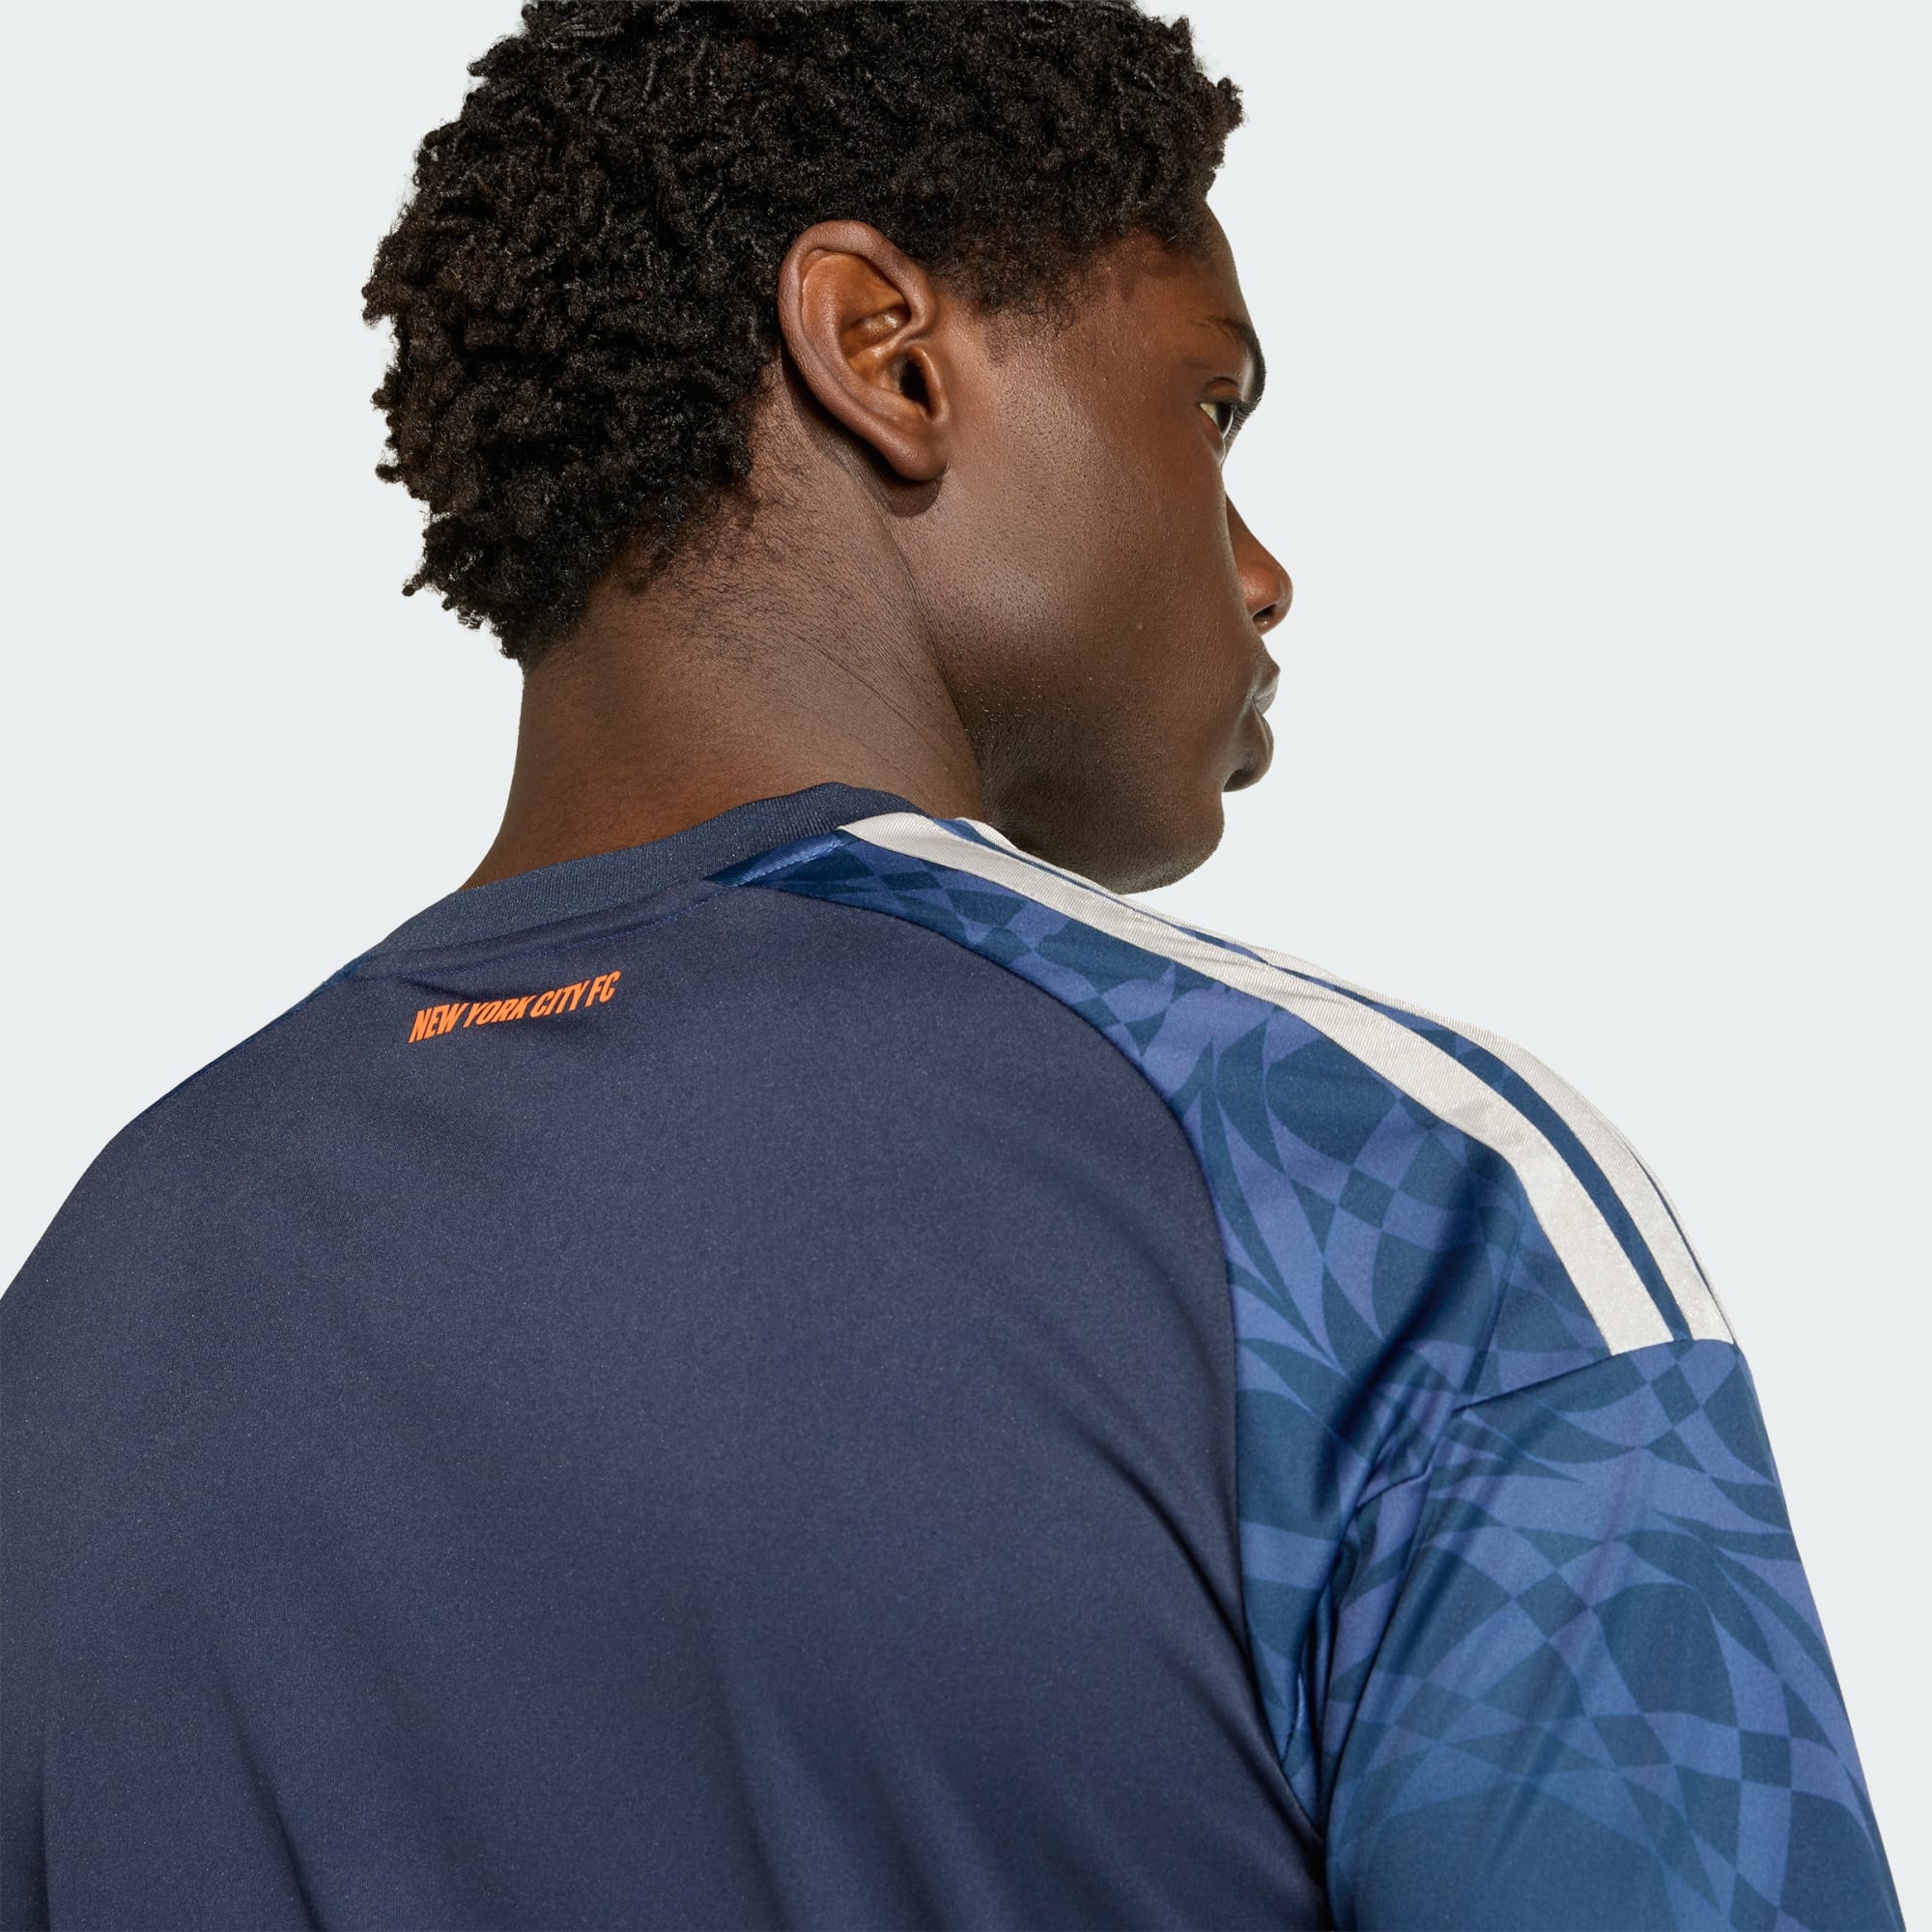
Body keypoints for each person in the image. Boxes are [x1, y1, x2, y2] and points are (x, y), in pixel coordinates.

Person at [0, 2, 1902, 1926]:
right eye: (1211, 409)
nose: (1262, 571)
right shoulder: (1372, 1196)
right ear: (885, 356)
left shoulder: (98, 1293)